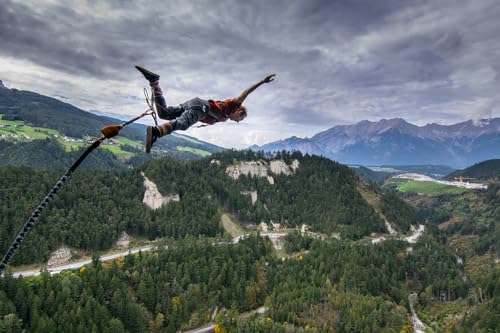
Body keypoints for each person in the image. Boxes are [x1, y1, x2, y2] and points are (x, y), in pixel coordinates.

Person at [135, 66, 275, 153]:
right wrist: (262, 81)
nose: (238, 122)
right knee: (183, 124)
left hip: (194, 104)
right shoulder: (234, 105)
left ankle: (154, 82)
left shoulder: (225, 117)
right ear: (239, 111)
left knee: (164, 113)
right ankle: (155, 132)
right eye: (240, 119)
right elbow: (246, 92)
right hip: (201, 108)